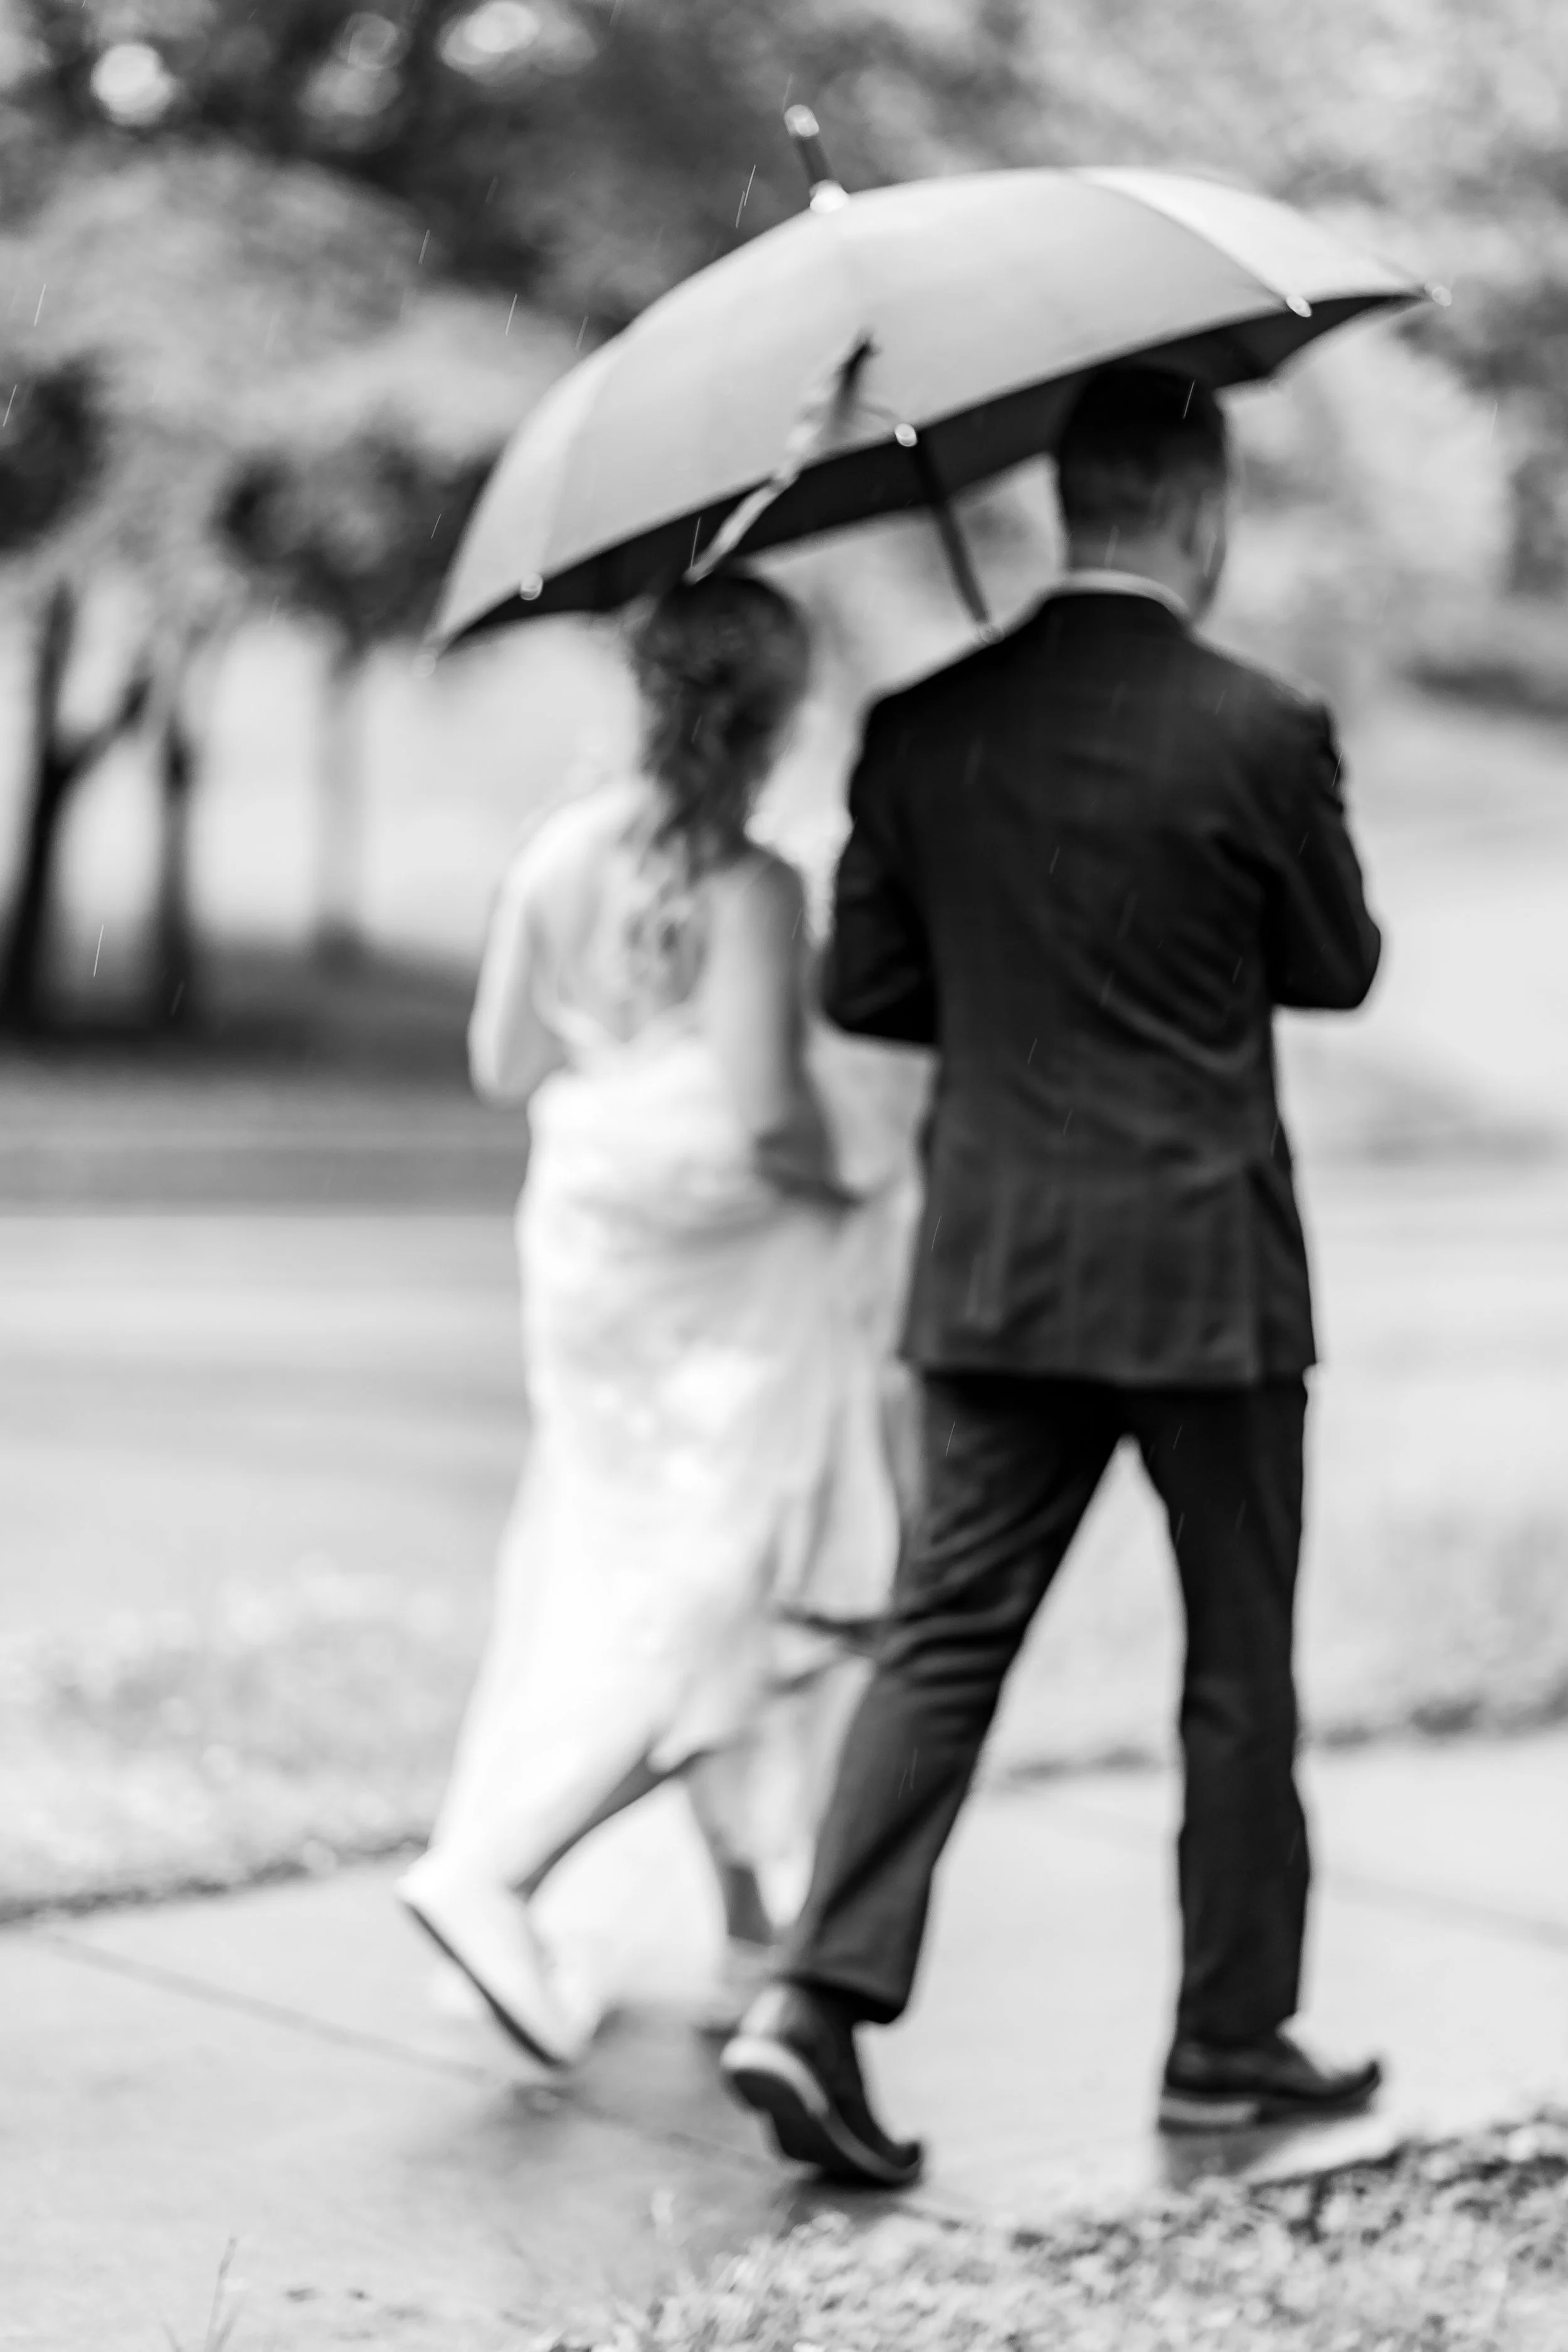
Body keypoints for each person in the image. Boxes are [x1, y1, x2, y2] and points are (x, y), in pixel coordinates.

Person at [721, 366, 1386, 2186]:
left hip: (1000, 1264)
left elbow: (869, 994)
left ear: (1068, 498)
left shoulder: (926, 726)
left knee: (941, 1640)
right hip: (1206, 1280)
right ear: (1196, 508)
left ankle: (813, 1999)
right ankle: (1226, 2045)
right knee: (1234, 1666)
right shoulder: (1259, 724)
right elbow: (1333, 964)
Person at [398, 570, 918, 2065]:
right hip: (725, 1281)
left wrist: (622, 1054)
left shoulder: (557, 854)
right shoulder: (752, 888)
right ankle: (499, 1867)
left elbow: (503, 1066)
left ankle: (755, 1922)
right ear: (775, 715)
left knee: (633, 1564)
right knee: (744, 1587)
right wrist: (864, 1170)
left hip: (591, 1263)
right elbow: (766, 1118)